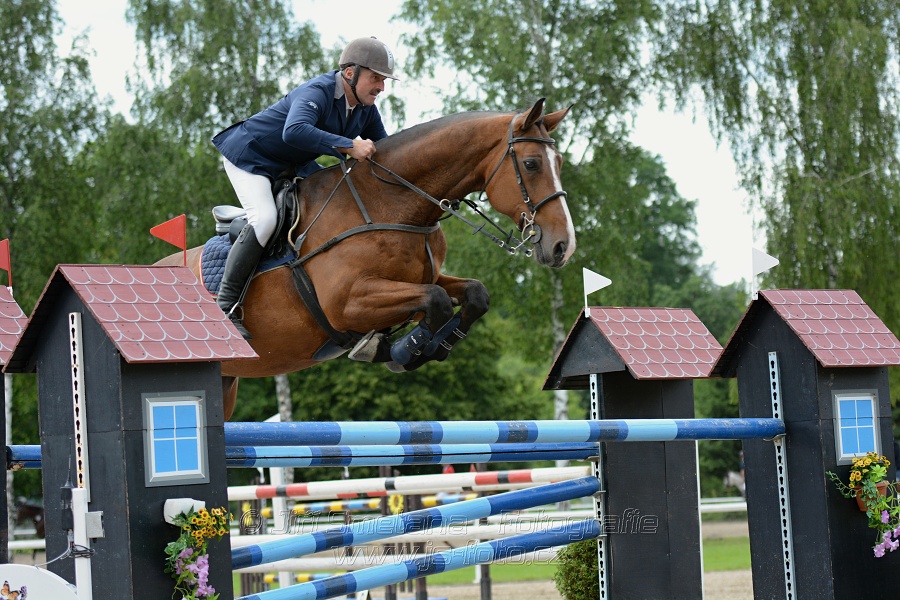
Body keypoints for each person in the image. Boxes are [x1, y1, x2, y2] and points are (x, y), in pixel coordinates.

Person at [211, 36, 398, 338]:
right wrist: (349, 145)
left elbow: (386, 150)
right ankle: (226, 306)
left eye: (384, 80)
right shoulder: (319, 91)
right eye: (376, 78)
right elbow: (294, 131)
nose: (381, 87)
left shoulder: (365, 108)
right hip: (251, 157)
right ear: (350, 73)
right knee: (266, 219)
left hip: (292, 164)